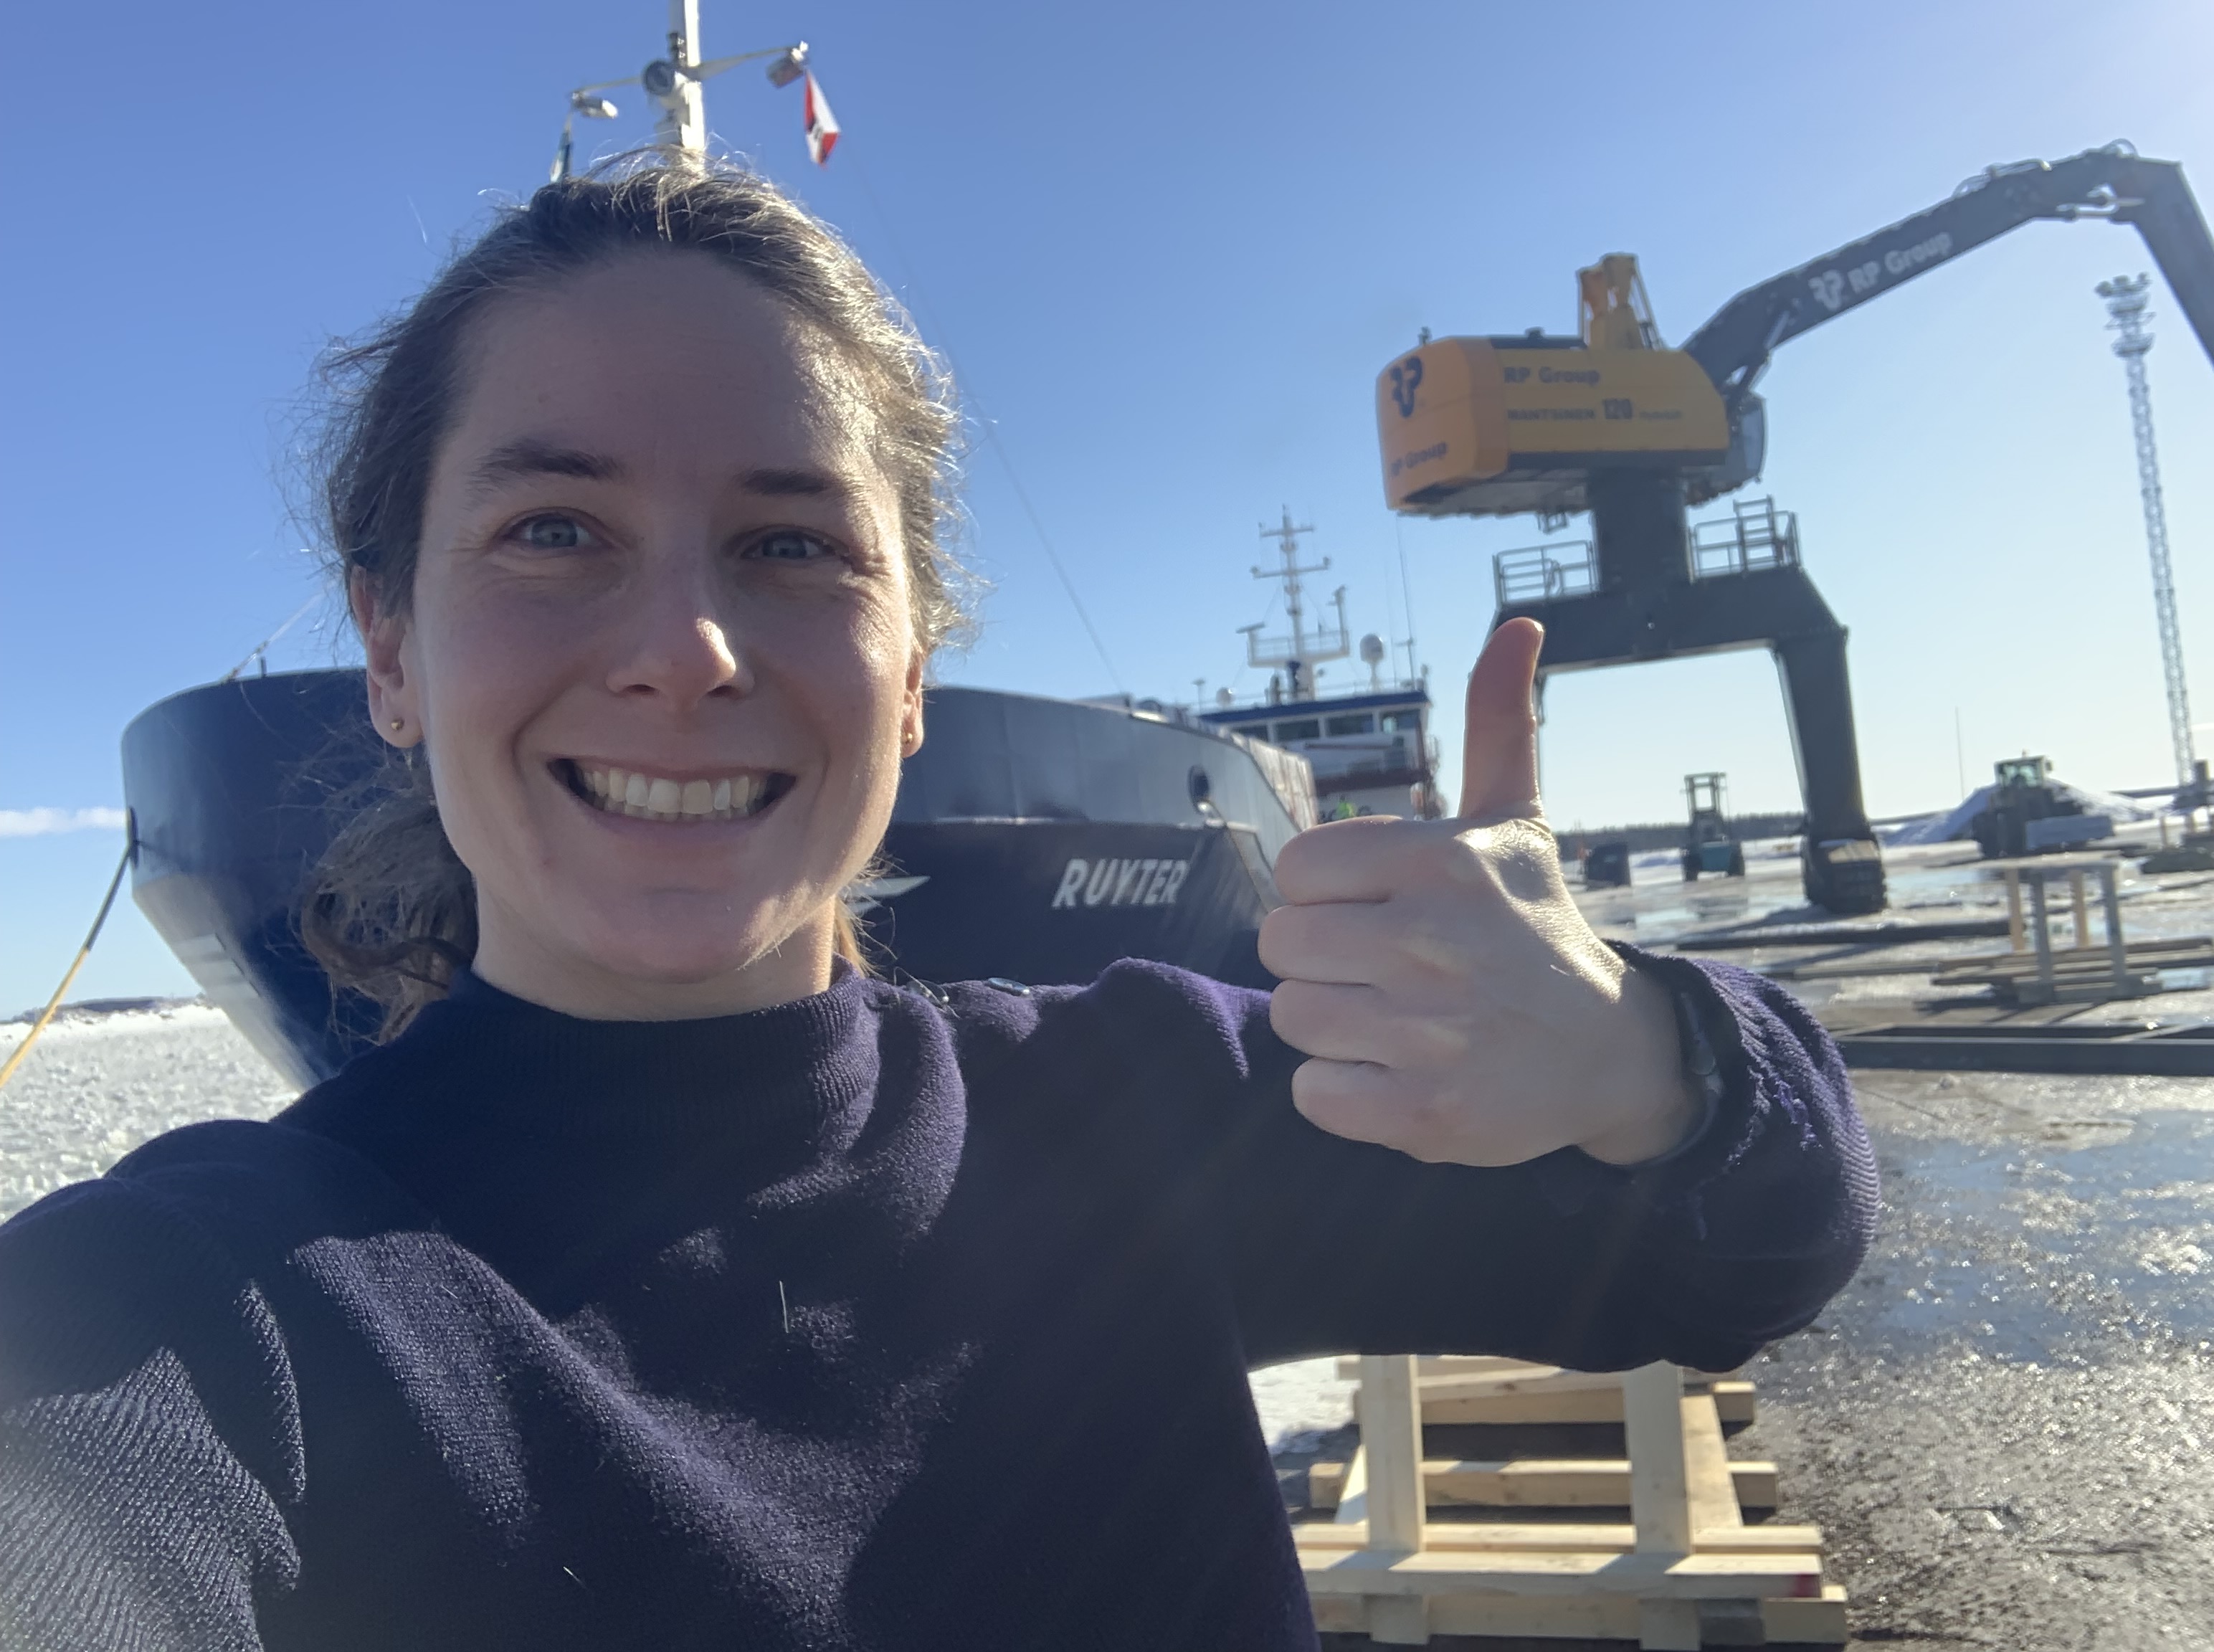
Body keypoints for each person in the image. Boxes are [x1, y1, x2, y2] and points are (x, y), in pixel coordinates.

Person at [0, 155, 1875, 1652]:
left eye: (792, 542)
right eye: (553, 528)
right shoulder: (190, 1310)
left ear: (912, 673)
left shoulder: (1134, 1113)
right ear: (390, 647)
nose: (688, 648)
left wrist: (1645, 1056)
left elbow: (1759, 1246)